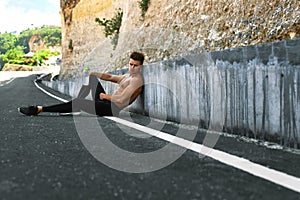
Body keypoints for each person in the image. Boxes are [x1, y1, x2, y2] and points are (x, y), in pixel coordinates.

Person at [18, 52, 144, 116]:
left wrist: (105, 97)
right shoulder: (128, 76)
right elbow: (110, 77)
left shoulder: (136, 81)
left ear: (140, 66)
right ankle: (75, 104)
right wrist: (94, 73)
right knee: (92, 79)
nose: (132, 67)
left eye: (135, 65)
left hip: (112, 109)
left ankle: (39, 109)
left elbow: (122, 100)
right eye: (130, 64)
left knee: (78, 103)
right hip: (107, 103)